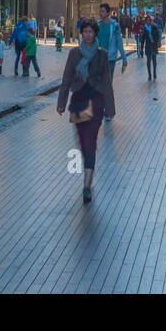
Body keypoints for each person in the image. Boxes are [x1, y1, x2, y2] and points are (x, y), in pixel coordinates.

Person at [56, 17, 113, 203]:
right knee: (82, 141)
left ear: (95, 33)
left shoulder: (102, 54)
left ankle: (86, 185)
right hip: (79, 100)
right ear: (82, 34)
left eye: (91, 32)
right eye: (85, 32)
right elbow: (66, 79)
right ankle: (88, 167)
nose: (88, 35)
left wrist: (110, 108)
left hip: (96, 100)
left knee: (91, 140)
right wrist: (61, 102)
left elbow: (106, 82)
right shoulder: (74, 54)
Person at [97, 2, 127, 119]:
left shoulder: (114, 26)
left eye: (103, 11)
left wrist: (124, 57)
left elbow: (119, 42)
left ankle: (108, 111)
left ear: (108, 13)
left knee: (107, 84)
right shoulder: (98, 25)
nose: (101, 13)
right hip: (100, 58)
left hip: (110, 58)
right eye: (100, 11)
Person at [143, 13, 161, 81]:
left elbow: (157, 36)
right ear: (146, 21)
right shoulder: (144, 28)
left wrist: (156, 42)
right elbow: (143, 39)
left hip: (153, 46)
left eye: (149, 20)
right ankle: (149, 75)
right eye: (147, 20)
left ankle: (154, 73)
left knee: (154, 60)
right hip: (147, 46)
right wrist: (141, 48)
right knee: (148, 61)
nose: (148, 22)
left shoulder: (154, 27)